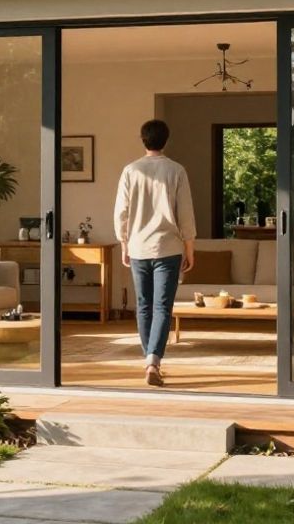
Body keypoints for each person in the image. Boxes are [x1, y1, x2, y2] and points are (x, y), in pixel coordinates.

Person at [113, 119, 196, 387]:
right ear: (166, 140)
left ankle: (149, 360)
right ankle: (153, 361)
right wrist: (189, 248)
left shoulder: (130, 170)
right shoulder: (176, 170)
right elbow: (185, 214)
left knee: (144, 306)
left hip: (138, 247)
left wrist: (124, 244)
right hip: (168, 248)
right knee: (162, 307)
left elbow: (121, 213)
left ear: (143, 139)